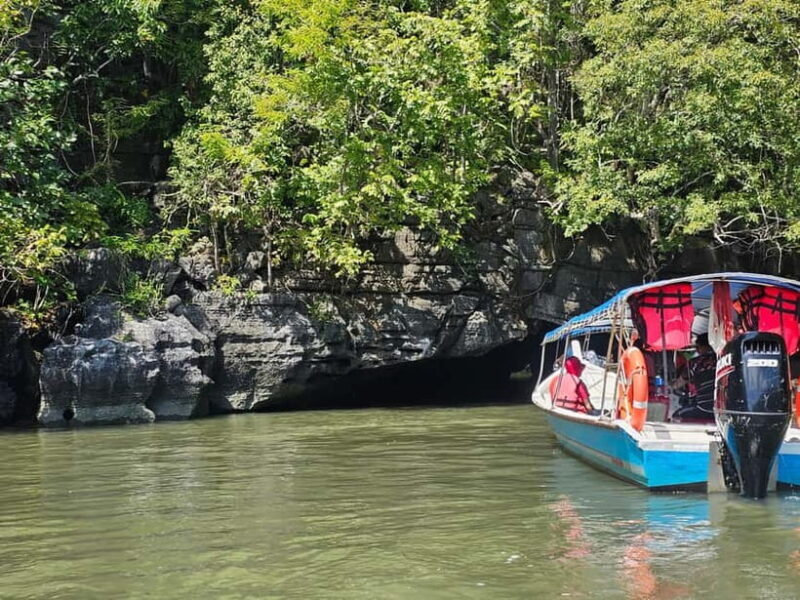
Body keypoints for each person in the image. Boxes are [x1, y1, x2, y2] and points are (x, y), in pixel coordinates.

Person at [672, 333, 716, 421]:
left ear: (704, 346)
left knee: (676, 415)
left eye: (698, 347)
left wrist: (672, 386)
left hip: (703, 408)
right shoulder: (721, 359)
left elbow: (678, 384)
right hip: (720, 409)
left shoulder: (694, 363)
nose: (697, 350)